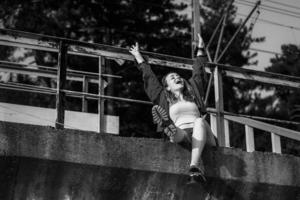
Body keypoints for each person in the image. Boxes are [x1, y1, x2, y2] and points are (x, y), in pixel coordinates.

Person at [129, 34, 216, 183]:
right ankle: (166, 126)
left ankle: (193, 166)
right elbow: (149, 78)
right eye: (172, 77)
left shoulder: (193, 91)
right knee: (172, 129)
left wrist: (200, 49)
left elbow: (198, 72)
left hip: (203, 134)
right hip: (182, 134)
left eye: (178, 76)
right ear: (167, 87)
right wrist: (138, 57)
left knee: (199, 122)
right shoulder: (163, 97)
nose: (177, 77)